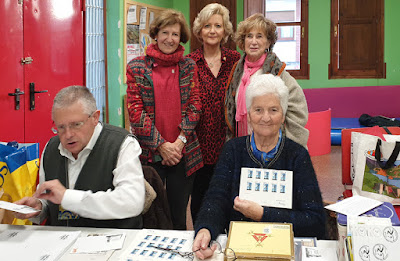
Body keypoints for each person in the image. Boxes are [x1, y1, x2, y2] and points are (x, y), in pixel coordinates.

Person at [193, 74, 326, 260]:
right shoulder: (233, 149)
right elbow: (216, 199)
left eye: (273, 110)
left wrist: (262, 214)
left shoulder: (297, 155)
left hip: (284, 252)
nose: (266, 118)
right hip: (239, 251)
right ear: (248, 114)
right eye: (258, 110)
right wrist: (205, 229)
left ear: (283, 115)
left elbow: (315, 221)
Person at [14, 86, 145, 228]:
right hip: (62, 241)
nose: (68, 134)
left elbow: (132, 202)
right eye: (61, 127)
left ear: (95, 117)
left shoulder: (122, 144)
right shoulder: (51, 148)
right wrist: (38, 207)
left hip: (112, 240)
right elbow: (49, 201)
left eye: (76, 125)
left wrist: (67, 197)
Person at [126, 9, 203, 230]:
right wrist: (162, 146)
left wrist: (179, 143)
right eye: (165, 32)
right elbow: (136, 112)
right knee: (152, 214)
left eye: (175, 34)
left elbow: (195, 106)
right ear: (155, 34)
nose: (170, 39)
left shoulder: (189, 66)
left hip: (183, 153)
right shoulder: (137, 68)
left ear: (182, 38)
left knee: (179, 215)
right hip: (150, 154)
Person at [186, 3, 240, 224]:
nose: (212, 31)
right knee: (200, 196)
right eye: (207, 25)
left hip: (228, 139)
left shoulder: (235, 60)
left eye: (218, 26)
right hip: (198, 142)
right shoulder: (189, 62)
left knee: (228, 194)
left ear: (225, 31)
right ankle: (202, 235)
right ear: (199, 31)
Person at [225, 13, 309, 148]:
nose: (253, 41)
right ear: (243, 40)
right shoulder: (237, 71)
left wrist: (286, 142)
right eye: (249, 36)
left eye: (259, 36)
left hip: (269, 145)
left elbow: (299, 110)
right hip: (242, 143)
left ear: (268, 42)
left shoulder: (277, 72)